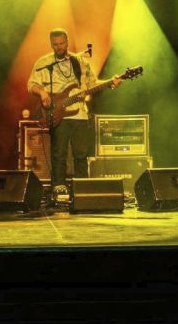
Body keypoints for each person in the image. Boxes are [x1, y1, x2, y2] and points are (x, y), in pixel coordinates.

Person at [27, 29, 119, 201]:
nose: (59, 47)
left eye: (61, 43)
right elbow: (31, 84)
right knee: (59, 155)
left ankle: (82, 190)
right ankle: (59, 190)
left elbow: (92, 83)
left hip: (80, 115)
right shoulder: (44, 62)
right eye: (55, 44)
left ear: (67, 42)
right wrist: (42, 93)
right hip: (58, 115)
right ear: (51, 44)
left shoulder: (80, 62)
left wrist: (110, 82)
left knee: (81, 155)